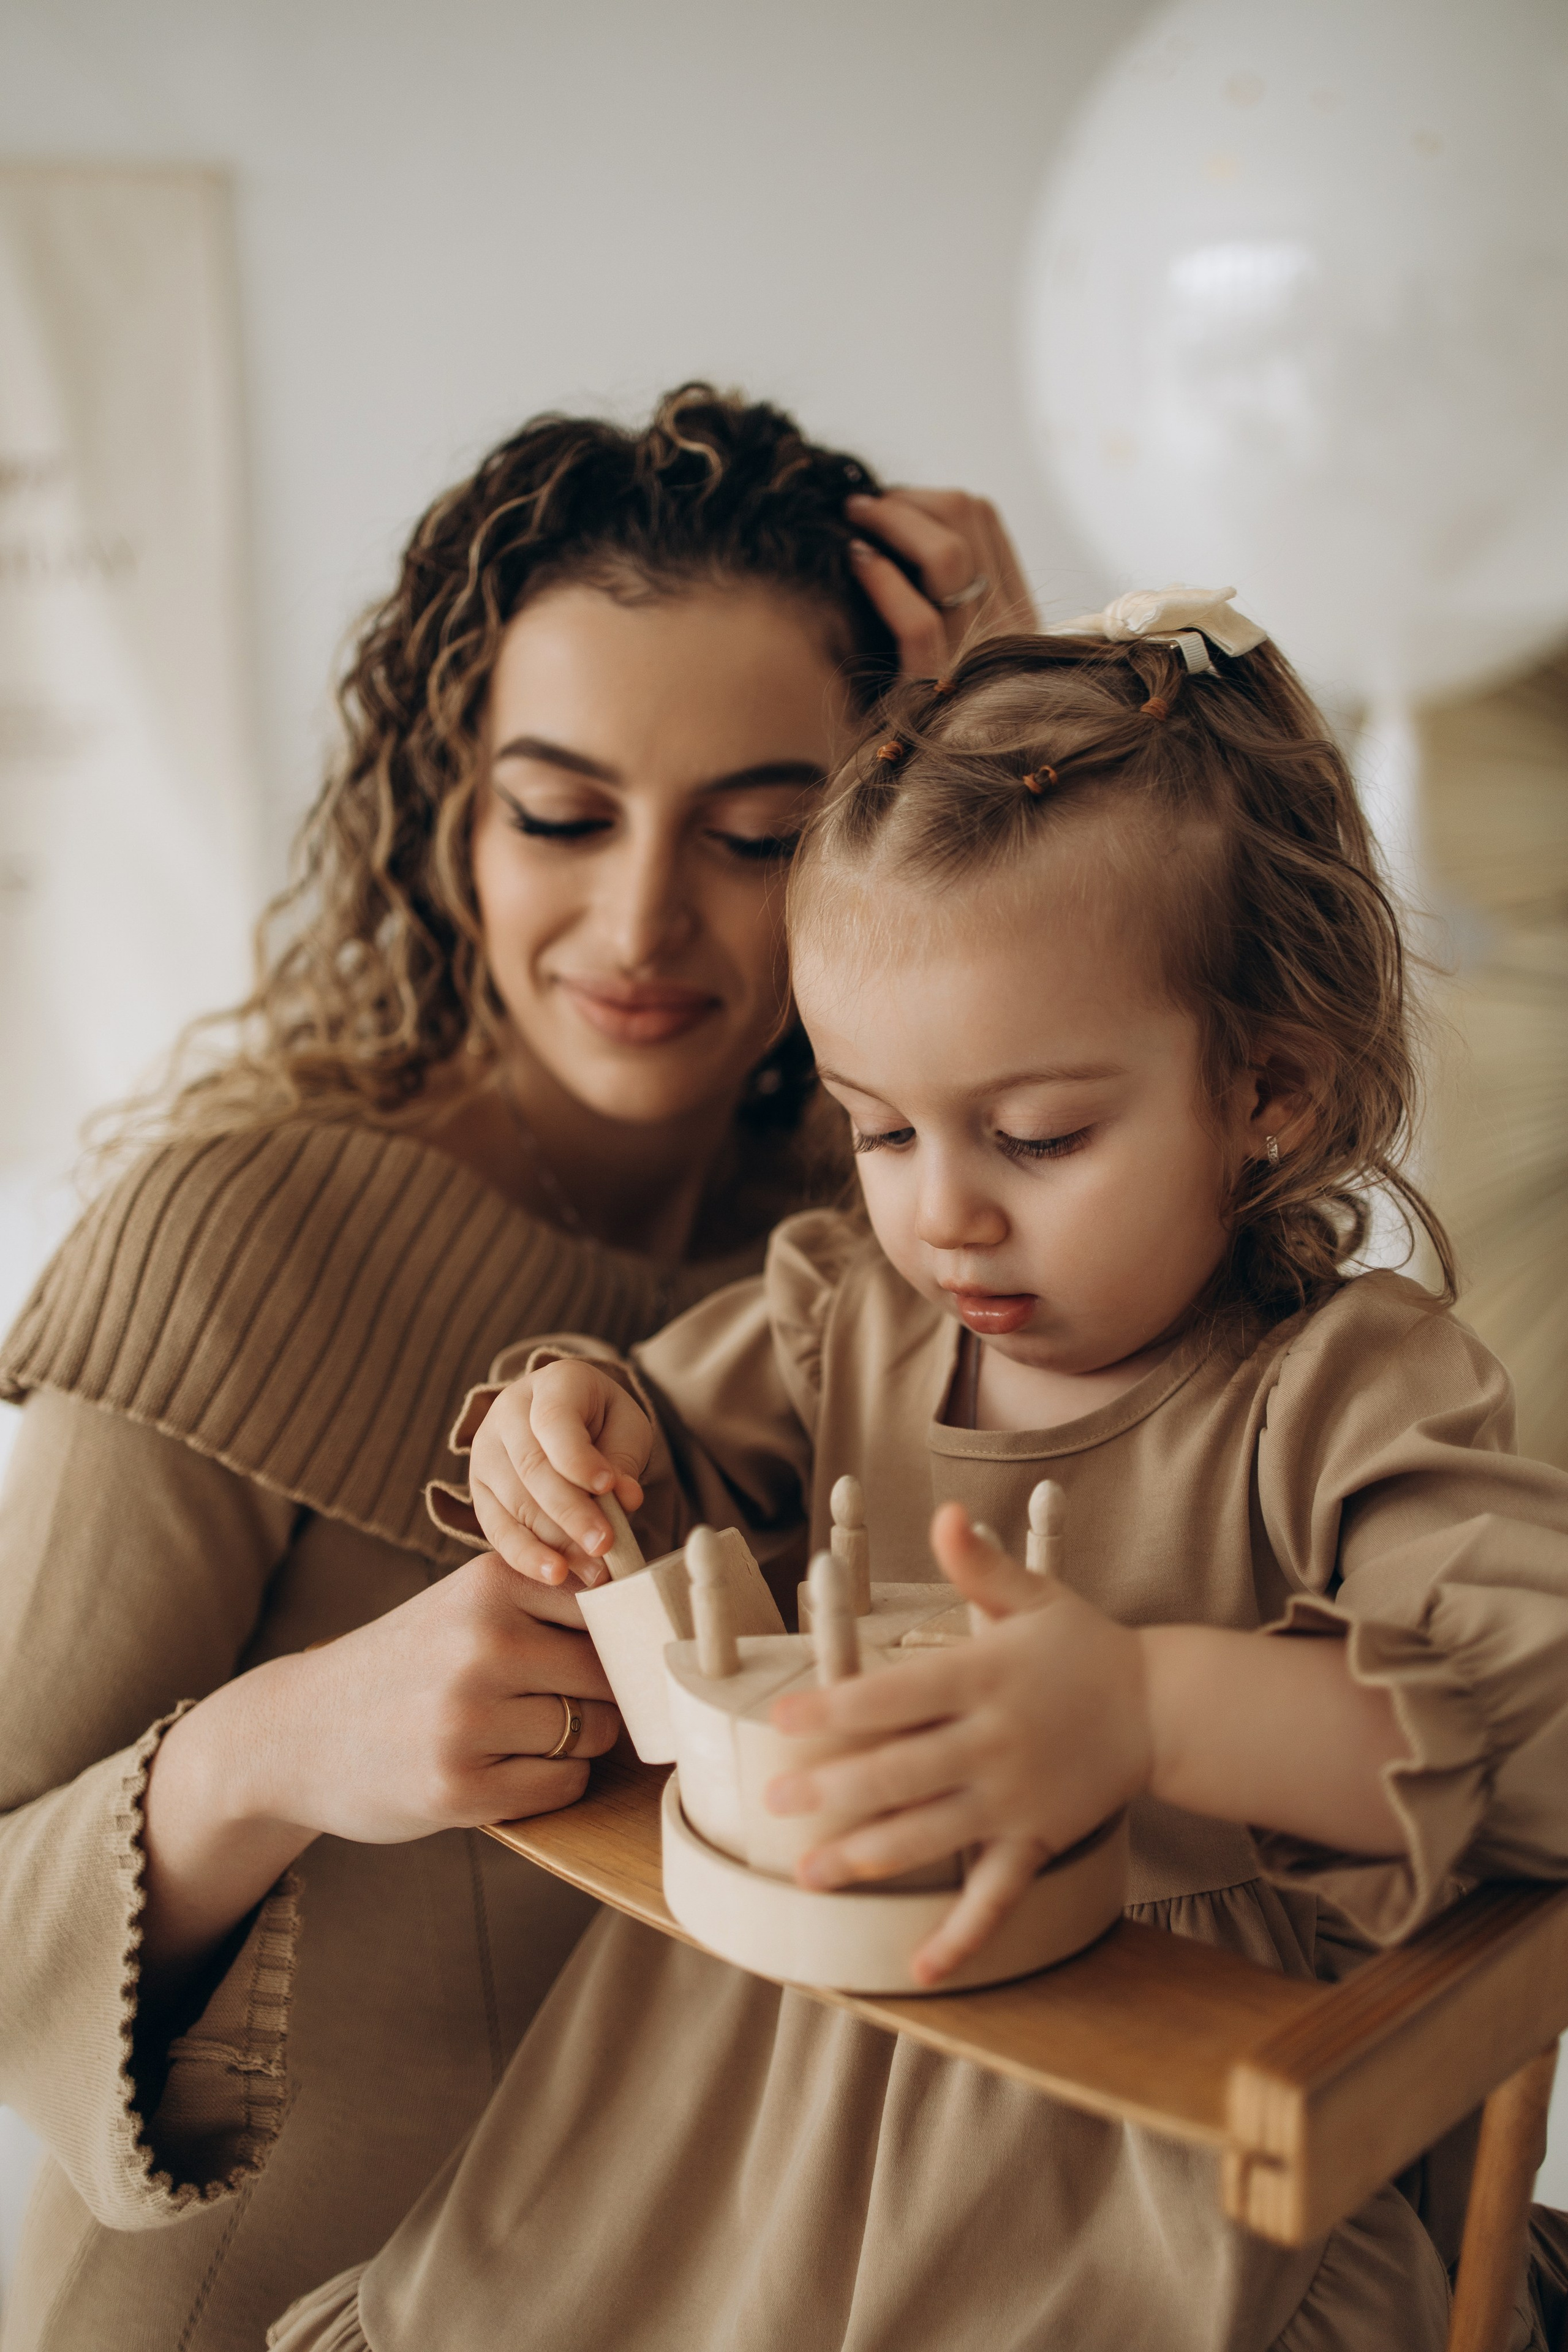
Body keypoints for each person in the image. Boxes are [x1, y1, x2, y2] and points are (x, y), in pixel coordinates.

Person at [277, 592, 1568, 2351]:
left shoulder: (1345, 1391)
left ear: (1266, 1088)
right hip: (743, 2112)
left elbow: (1540, 1728)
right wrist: (567, 1433)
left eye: (1037, 1136)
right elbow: (653, 1434)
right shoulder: (842, 1319)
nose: (940, 1210)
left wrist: (1148, 1713)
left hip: (1132, 2160)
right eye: (881, 1127)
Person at [0, 382, 1035, 2352]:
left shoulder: (897, 1265)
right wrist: (286, 1747)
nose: (641, 921)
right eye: (563, 815)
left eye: (761, 833)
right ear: (446, 817)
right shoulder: (239, 1236)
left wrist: (1024, 756)